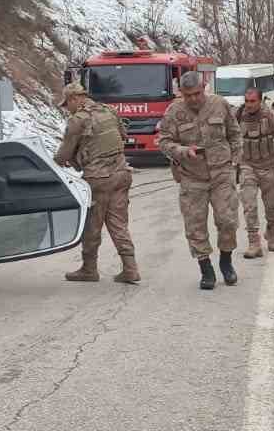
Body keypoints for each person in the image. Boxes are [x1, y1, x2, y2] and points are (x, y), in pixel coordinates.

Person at [156, 70, 241, 290]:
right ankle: (206, 268)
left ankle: (226, 260)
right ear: (181, 94)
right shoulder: (174, 112)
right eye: (188, 95)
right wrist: (183, 150)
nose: (193, 99)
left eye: (196, 93)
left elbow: (234, 133)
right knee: (195, 226)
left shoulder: (219, 104)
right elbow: (163, 141)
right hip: (192, 177)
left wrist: (235, 161)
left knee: (227, 220)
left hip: (222, 172)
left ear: (203, 88)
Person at [54, 81, 140, 285]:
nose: (68, 109)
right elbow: (123, 136)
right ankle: (130, 268)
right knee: (119, 224)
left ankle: (89, 269)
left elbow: (64, 153)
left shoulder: (78, 120)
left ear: (75, 99)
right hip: (121, 174)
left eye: (67, 104)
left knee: (92, 225)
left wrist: (56, 161)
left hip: (97, 179)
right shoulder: (109, 111)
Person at [236, 86, 274, 259]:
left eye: (252, 101)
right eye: (246, 101)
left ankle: (272, 231)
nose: (249, 105)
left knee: (271, 206)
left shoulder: (270, 117)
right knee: (249, 205)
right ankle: (254, 242)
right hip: (247, 166)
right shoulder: (238, 116)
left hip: (268, 167)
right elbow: (229, 139)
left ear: (260, 101)